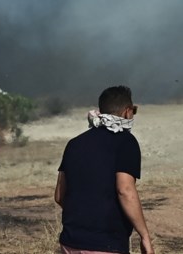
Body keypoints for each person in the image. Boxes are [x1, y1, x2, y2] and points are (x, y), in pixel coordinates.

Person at [55, 85, 154, 254]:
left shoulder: (74, 144)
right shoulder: (126, 142)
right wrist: (144, 236)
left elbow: (59, 195)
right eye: (134, 111)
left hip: (70, 243)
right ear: (127, 112)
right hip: (106, 244)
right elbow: (125, 190)